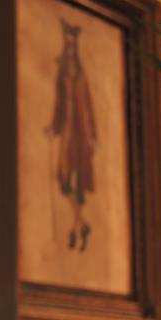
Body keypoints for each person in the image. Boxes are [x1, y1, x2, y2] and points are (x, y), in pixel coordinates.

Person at [46, 20, 97, 252]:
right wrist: (54, 128)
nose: (70, 49)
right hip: (68, 132)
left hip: (80, 133)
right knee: (65, 181)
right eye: (67, 45)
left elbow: (89, 106)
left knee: (77, 183)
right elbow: (59, 103)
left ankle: (79, 227)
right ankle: (81, 224)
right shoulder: (62, 74)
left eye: (73, 45)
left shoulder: (82, 76)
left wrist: (93, 135)